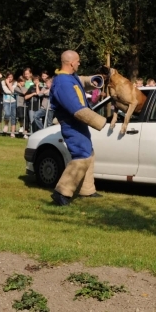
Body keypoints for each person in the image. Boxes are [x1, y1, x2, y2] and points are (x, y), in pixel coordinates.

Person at [50, 50, 107, 206]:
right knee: (82, 154)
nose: (79, 63)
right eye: (78, 61)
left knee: (89, 152)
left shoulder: (68, 77)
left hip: (78, 123)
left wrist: (93, 81)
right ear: (71, 63)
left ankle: (87, 189)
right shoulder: (62, 83)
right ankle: (61, 192)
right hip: (72, 123)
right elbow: (75, 108)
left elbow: (79, 81)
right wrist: (100, 122)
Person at [1, 72, 17, 137]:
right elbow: (6, 91)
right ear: (6, 77)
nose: (10, 78)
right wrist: (6, 83)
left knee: (13, 116)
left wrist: (8, 84)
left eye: (11, 77)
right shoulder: (3, 82)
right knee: (7, 114)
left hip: (13, 101)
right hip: (6, 101)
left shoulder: (15, 83)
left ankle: (12, 132)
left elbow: (13, 91)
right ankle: (6, 124)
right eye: (8, 77)